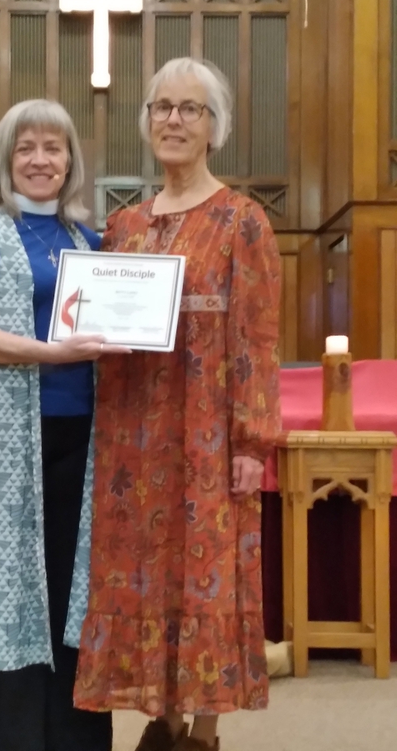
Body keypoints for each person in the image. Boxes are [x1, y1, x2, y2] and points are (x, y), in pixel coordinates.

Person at [72, 58, 282, 751]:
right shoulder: (123, 225)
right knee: (142, 576)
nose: (173, 120)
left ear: (214, 127)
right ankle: (160, 723)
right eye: (161, 107)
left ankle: (204, 732)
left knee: (206, 572)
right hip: (131, 437)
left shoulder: (242, 221)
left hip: (207, 436)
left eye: (190, 109)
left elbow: (256, 338)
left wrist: (252, 440)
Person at [0, 99, 122, 751]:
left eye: (53, 147)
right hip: (5, 442)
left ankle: (69, 738)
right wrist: (53, 353)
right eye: (26, 148)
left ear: (70, 160)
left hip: (81, 440)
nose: (41, 160)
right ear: (6, 159)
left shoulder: (89, 242)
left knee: (70, 594)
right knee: (4, 588)